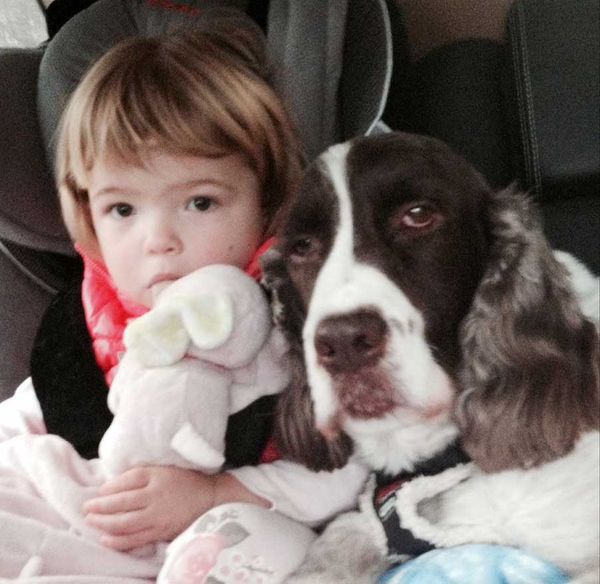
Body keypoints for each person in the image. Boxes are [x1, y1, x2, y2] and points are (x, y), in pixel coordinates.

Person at [0, 22, 368, 582]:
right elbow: (23, 421)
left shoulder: (293, 328)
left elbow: (344, 469)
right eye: (123, 209)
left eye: (199, 202)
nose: (159, 239)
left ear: (265, 204)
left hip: (229, 526)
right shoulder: (83, 327)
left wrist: (214, 491)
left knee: (247, 548)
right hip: (81, 527)